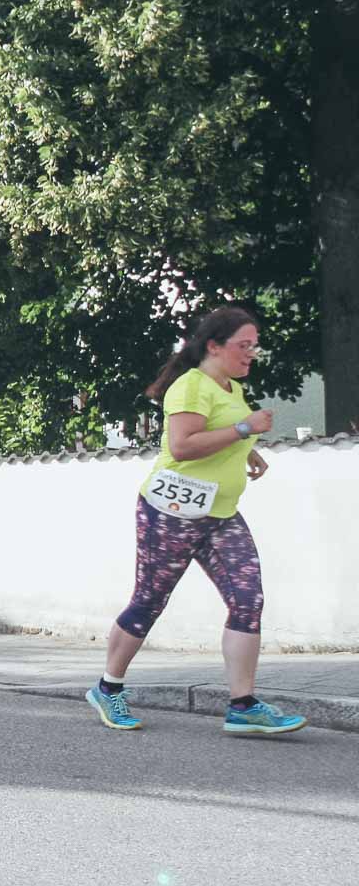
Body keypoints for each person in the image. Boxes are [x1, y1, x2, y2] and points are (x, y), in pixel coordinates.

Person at [86, 307, 305, 737]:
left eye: (254, 345)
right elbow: (183, 446)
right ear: (215, 347)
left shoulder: (230, 388)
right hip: (171, 513)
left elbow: (219, 436)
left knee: (248, 598)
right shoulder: (190, 387)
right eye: (244, 345)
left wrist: (248, 451)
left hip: (220, 515)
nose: (252, 353)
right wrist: (244, 430)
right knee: (150, 600)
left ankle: (243, 705)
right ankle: (108, 687)